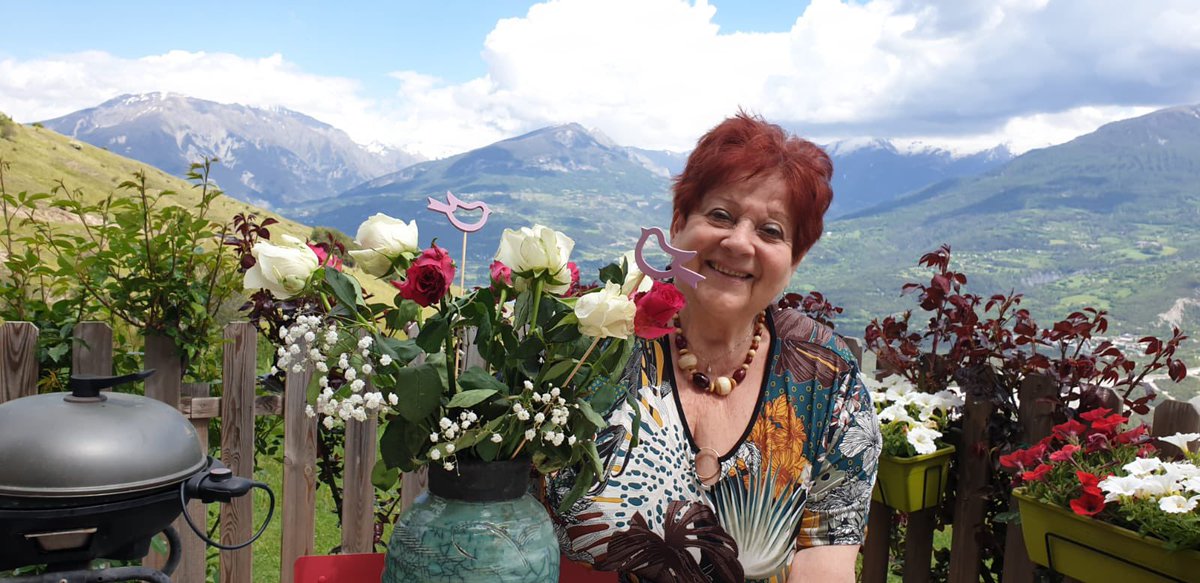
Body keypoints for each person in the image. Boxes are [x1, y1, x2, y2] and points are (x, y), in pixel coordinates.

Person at [547, 111, 881, 583]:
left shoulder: (826, 375)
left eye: (771, 231)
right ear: (679, 223)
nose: (739, 242)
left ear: (795, 258)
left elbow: (824, 564)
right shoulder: (595, 342)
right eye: (720, 215)